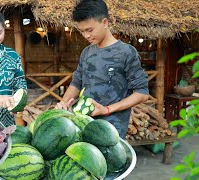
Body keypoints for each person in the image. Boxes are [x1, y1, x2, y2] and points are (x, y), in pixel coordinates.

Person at [55, 0, 149, 138]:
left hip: (111, 130)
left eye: (90, 30)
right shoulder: (86, 52)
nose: (86, 36)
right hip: (83, 124)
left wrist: (106, 110)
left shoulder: (126, 52)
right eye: (82, 31)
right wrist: (63, 103)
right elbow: (76, 83)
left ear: (104, 23)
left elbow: (142, 93)